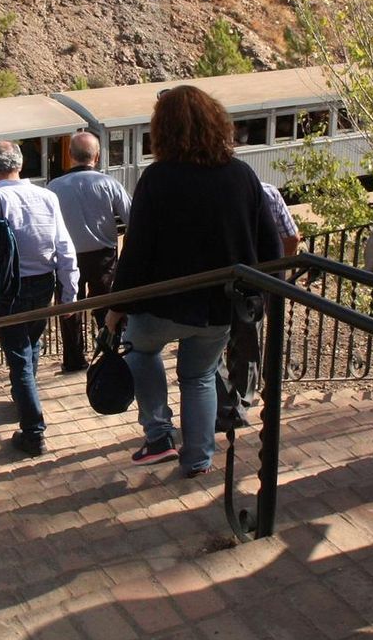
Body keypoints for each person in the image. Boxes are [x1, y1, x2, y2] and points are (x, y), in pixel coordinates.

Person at [106, 86, 283, 477]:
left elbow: (136, 252)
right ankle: (199, 459)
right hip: (218, 308)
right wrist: (263, 298)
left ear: (162, 130)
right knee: (200, 375)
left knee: (140, 352)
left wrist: (117, 307)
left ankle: (158, 435)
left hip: (161, 304)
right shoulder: (242, 175)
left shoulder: (157, 179)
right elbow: (269, 245)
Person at [0, 141, 79, 457]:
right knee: (31, 345)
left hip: (8, 288)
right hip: (44, 284)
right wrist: (69, 294)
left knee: (18, 354)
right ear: (20, 164)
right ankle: (23, 399)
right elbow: (64, 248)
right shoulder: (47, 196)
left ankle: (34, 432)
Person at [215, 178, 299, 433]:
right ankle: (241, 403)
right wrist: (277, 271)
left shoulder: (213, 190)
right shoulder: (268, 192)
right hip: (257, 281)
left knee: (213, 344)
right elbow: (292, 237)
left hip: (218, 279)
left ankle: (225, 404)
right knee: (248, 342)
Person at [46, 131, 132, 372]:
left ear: (70, 155)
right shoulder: (109, 183)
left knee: (69, 307)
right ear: (97, 156)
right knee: (106, 305)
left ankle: (73, 360)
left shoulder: (54, 187)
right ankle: (110, 352)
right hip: (103, 255)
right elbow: (132, 216)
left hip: (66, 257)